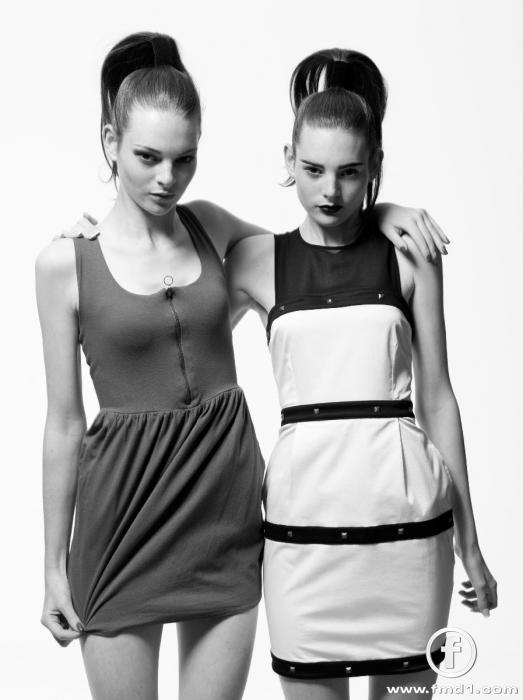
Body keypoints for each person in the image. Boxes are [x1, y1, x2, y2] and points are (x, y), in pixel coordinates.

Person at [38, 32, 450, 700]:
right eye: (146, 157)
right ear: (110, 142)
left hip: (222, 515)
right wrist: (53, 566)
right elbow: (62, 423)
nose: (166, 178)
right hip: (119, 519)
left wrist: (383, 209)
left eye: (184, 159)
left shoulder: (210, 228)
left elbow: (318, 248)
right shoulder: (66, 262)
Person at [224, 49, 497, 700]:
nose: (330, 191)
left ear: (373, 166)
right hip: (300, 540)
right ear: (287, 160)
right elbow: (171, 278)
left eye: (350, 172)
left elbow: (438, 398)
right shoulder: (255, 261)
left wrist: (471, 544)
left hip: (409, 534)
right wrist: (99, 232)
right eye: (313, 170)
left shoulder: (411, 255)